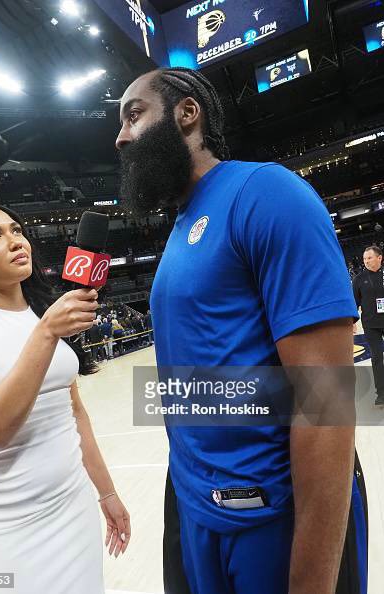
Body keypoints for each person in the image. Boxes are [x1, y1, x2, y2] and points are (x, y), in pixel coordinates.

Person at [116, 67, 367, 594]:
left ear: (188, 114)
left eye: (134, 114)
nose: (121, 136)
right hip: (193, 501)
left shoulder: (267, 193)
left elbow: (325, 405)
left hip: (269, 514)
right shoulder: (183, 227)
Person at [0, 204, 131, 594]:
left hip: (72, 508)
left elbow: (74, 412)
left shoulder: (42, 313)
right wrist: (45, 334)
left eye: (16, 230)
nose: (15, 242)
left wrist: (106, 492)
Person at [353, 245, 384, 406]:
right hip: (371, 324)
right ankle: (381, 394)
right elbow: (354, 303)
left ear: (379, 258)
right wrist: (352, 322)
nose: (366, 261)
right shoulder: (358, 279)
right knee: (377, 358)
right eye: (364, 259)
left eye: (369, 258)